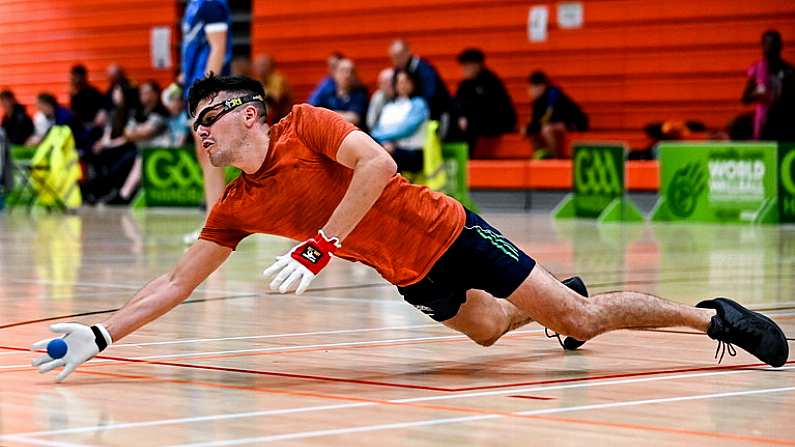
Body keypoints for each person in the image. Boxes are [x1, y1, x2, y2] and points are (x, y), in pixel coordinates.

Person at [30, 75, 790, 384]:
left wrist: (323, 243)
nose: (197, 131)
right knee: (491, 330)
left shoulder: (309, 126)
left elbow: (377, 166)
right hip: (408, 274)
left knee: (579, 320)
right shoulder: (236, 203)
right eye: (192, 123)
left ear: (249, 114)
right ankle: (547, 300)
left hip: (447, 230)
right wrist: (100, 335)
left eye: (207, 118)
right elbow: (174, 280)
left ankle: (712, 316)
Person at [181, 0, 233, 233]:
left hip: (209, 91)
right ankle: (214, 220)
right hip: (194, 86)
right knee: (204, 152)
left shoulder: (211, 3)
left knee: (210, 150)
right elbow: (193, 49)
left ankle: (217, 222)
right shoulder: (193, 5)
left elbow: (218, 48)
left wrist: (206, 93)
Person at [454, 48, 517, 158]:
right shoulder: (464, 85)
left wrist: (467, 118)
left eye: (466, 66)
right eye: (463, 66)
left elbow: (493, 109)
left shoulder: (491, 82)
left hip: (498, 121)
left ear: (477, 65)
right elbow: (457, 104)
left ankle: (468, 158)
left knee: (471, 125)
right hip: (477, 123)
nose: (463, 69)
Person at [371, 69, 429, 174]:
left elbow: (405, 130)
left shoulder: (418, 104)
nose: (403, 85)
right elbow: (378, 128)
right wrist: (384, 143)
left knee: (380, 155)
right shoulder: (389, 107)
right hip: (390, 149)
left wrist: (380, 138)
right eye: (399, 82)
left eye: (406, 81)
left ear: (413, 83)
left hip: (413, 153)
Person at [742, 30, 795, 141]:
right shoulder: (757, 70)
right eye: (767, 46)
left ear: (780, 47)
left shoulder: (789, 71)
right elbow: (744, 99)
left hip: (784, 123)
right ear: (762, 47)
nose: (769, 50)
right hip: (763, 124)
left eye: (773, 46)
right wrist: (756, 94)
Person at [524, 71, 588, 159]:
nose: (530, 91)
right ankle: (540, 154)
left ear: (541, 87)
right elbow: (536, 121)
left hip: (574, 122)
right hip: (557, 122)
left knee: (547, 129)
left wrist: (533, 126)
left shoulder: (553, 95)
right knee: (531, 130)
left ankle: (556, 158)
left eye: (532, 87)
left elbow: (549, 117)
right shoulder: (537, 101)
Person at [388, 39, 451, 122]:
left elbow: (430, 94)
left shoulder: (423, 68)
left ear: (408, 52)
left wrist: (419, 113)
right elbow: (395, 93)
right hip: (412, 112)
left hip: (435, 112)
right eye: (394, 58)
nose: (397, 61)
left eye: (399, 56)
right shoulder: (398, 70)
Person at [311, 58, 368, 127]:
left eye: (351, 72)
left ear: (355, 76)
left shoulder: (360, 92)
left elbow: (354, 119)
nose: (347, 75)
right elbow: (313, 110)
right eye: (343, 71)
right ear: (335, 74)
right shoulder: (326, 89)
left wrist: (325, 115)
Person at [253, 54, 294, 123]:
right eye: (257, 65)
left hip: (281, 117)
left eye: (263, 65)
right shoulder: (258, 81)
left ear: (271, 66)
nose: (260, 68)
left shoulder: (278, 79)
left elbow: (274, 100)